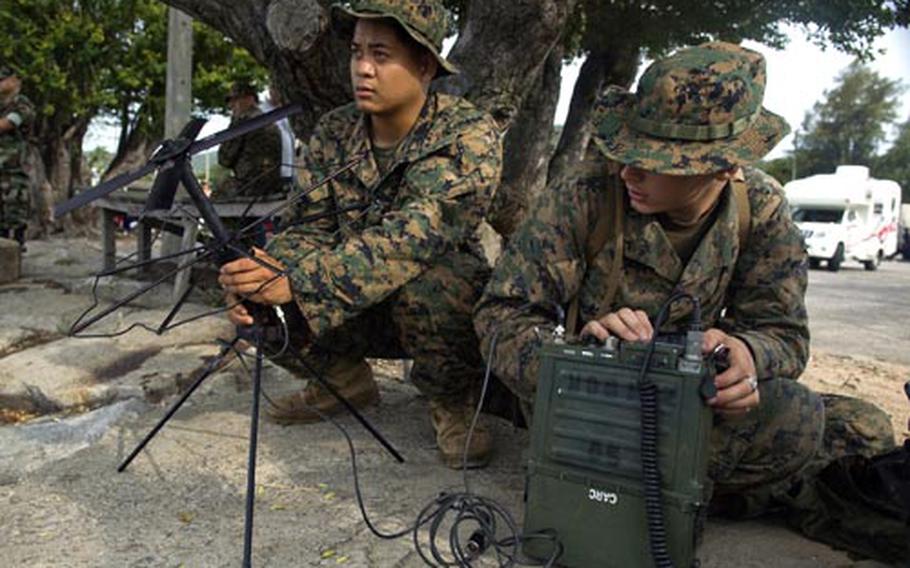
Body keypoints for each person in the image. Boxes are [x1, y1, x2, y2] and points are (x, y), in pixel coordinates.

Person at [474, 42, 906, 562]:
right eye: (628, 151)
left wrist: (747, 356)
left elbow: (784, 333)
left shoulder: (761, 212)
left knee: (859, 428)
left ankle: (669, 493)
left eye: (655, 162)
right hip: (590, 405)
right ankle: (678, 495)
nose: (629, 170)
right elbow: (501, 317)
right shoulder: (585, 194)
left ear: (725, 169)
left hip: (697, 408)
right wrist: (581, 352)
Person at [218, 0, 503, 469]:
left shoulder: (467, 134)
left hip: (429, 309)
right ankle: (342, 379)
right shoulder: (335, 132)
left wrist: (301, 283)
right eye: (356, 53)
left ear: (425, 65)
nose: (363, 69)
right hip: (349, 302)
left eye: (382, 55)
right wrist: (265, 273)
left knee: (435, 285)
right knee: (252, 285)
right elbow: (309, 226)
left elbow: (415, 237)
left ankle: (454, 401)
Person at [217, 80, 284, 201]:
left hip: (248, 187)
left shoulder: (244, 122)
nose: (231, 106)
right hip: (273, 187)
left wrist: (233, 122)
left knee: (213, 195)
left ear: (249, 99)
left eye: (235, 100)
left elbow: (224, 159)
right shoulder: (269, 120)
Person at [0, 66, 35, 251]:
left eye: (3, 79)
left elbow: (8, 123)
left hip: (13, 174)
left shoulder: (21, 104)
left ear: (15, 80)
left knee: (13, 222)